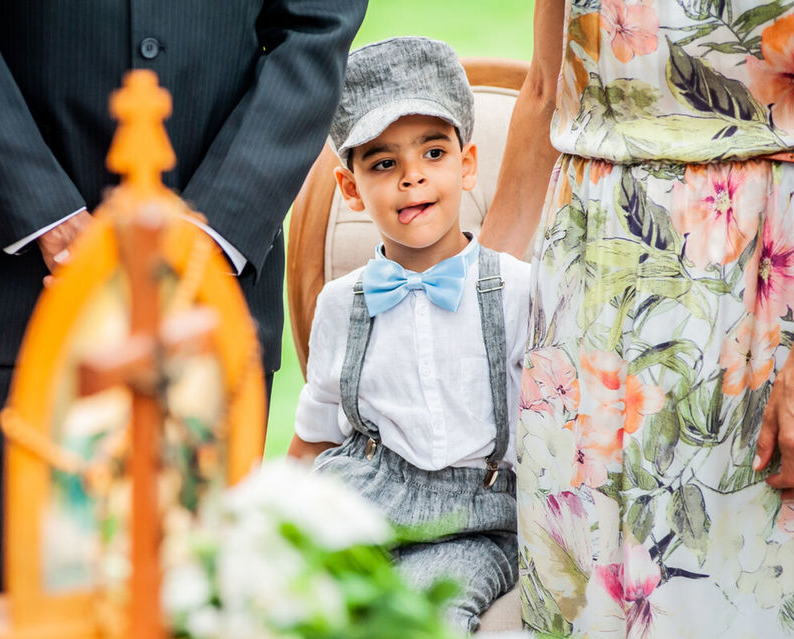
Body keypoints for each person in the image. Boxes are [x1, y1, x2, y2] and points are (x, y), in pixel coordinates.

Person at [0, 0, 366, 592]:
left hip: (208, 302)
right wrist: (43, 215)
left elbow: (317, 21)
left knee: (185, 600)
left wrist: (204, 237)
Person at [482, 0, 794, 636]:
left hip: (754, 299)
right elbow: (546, 89)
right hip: (579, 301)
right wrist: (471, 306)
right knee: (581, 607)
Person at [287, 37, 531, 634]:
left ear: (466, 164)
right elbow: (314, 435)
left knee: (428, 617)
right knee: (295, 605)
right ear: (351, 188)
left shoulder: (518, 289)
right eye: (383, 163)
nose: (412, 177)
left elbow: (552, 427)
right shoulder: (340, 303)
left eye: (433, 152)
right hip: (360, 502)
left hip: (474, 521)